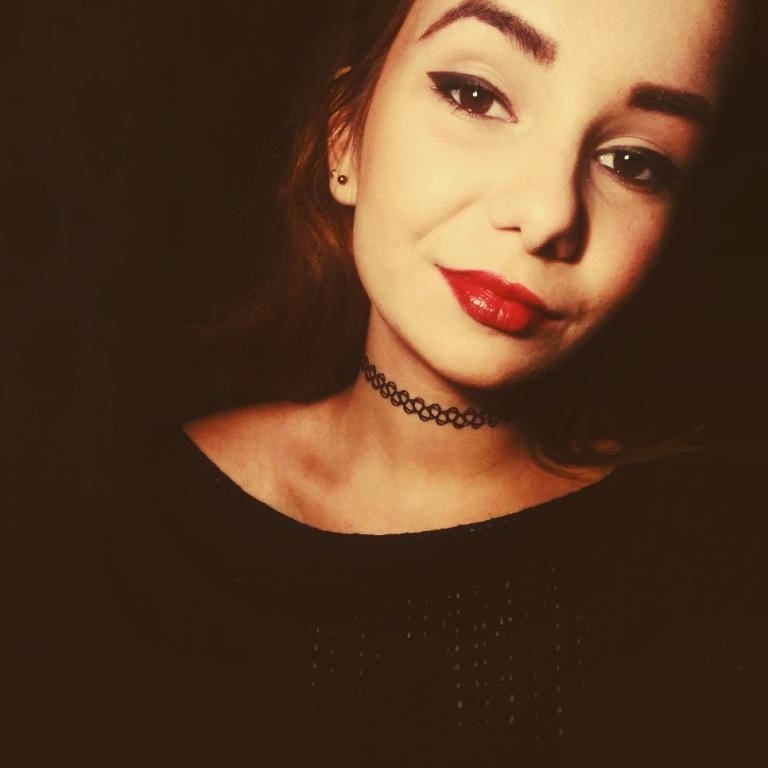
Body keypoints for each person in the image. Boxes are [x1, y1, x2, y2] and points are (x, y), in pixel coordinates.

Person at [26, 1, 764, 766]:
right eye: (475, 95)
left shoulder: (718, 570)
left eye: (635, 163)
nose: (547, 213)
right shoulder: (148, 516)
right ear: (346, 132)